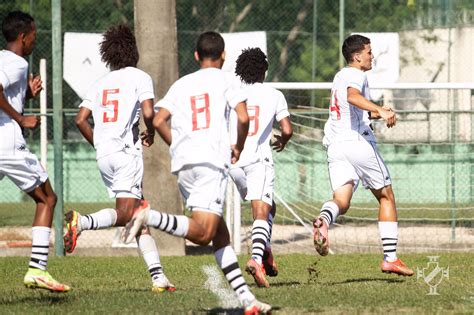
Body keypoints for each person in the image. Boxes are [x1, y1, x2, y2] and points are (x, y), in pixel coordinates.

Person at [121, 31, 271, 314]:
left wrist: (175, 144)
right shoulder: (228, 80)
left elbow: (156, 117)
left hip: (185, 162)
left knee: (220, 234)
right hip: (211, 162)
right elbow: (243, 117)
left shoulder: (182, 83)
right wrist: (236, 147)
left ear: (196, 56)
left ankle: (248, 301)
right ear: (223, 56)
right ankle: (148, 216)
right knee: (203, 234)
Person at [63, 24, 175, 292]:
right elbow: (149, 112)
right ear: (133, 51)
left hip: (105, 156)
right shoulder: (140, 77)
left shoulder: (100, 82)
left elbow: (80, 120)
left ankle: (158, 277)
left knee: (138, 212)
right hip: (126, 153)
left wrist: (100, 144)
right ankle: (82, 222)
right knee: (127, 214)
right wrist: (151, 132)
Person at [313, 34, 413, 276]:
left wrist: (378, 113)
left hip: (336, 146)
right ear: (357, 56)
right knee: (386, 196)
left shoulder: (340, 76)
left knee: (342, 200)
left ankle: (324, 221)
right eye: (369, 52)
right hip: (357, 144)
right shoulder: (356, 75)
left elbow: (352, 110)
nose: (372, 56)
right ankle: (390, 258)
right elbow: (352, 97)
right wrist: (378, 107)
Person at [0, 11, 70, 292]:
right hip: (8, 143)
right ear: (22, 37)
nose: (34, 42)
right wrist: (21, 118)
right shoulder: (16, 62)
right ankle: (37, 270)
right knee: (48, 198)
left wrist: (26, 94)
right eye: (33, 37)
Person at [228, 47, 293, 288]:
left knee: (269, 207)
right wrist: (283, 141)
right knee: (261, 211)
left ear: (241, 72)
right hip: (258, 159)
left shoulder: (232, 93)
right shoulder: (274, 94)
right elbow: (287, 129)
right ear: (265, 70)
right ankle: (256, 259)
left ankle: (264, 249)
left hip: (233, 161)